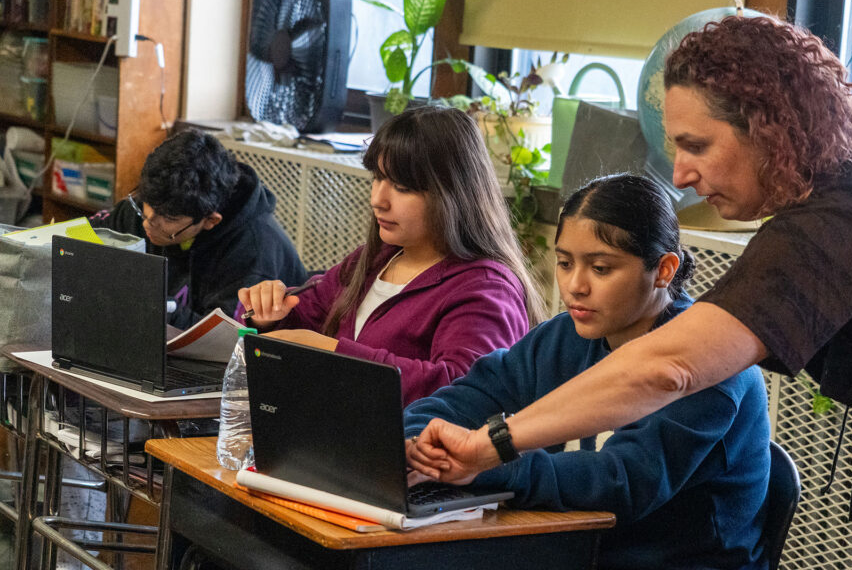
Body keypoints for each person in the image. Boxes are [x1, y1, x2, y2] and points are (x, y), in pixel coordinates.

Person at [408, 16, 852, 570]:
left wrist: (493, 445)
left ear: (769, 128)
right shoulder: (847, 183)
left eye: (696, 146)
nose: (679, 173)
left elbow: (671, 366)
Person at [405, 173, 770, 569]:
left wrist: (489, 464)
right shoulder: (562, 336)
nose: (575, 286)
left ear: (664, 270)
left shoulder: (710, 365)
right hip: (572, 550)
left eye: (600, 268)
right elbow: (468, 397)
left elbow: (623, 483)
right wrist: (417, 440)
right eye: (564, 263)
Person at [239, 106, 546, 406]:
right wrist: (268, 314)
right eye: (377, 178)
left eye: (401, 187)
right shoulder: (373, 261)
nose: (378, 200)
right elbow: (304, 315)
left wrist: (333, 355)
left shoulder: (486, 287)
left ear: (452, 194)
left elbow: (466, 390)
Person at [90, 129, 307, 329]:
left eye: (168, 219)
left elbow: (224, 342)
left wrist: (156, 306)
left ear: (210, 220)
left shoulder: (255, 252)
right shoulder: (155, 205)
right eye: (145, 203)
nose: (148, 222)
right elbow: (80, 236)